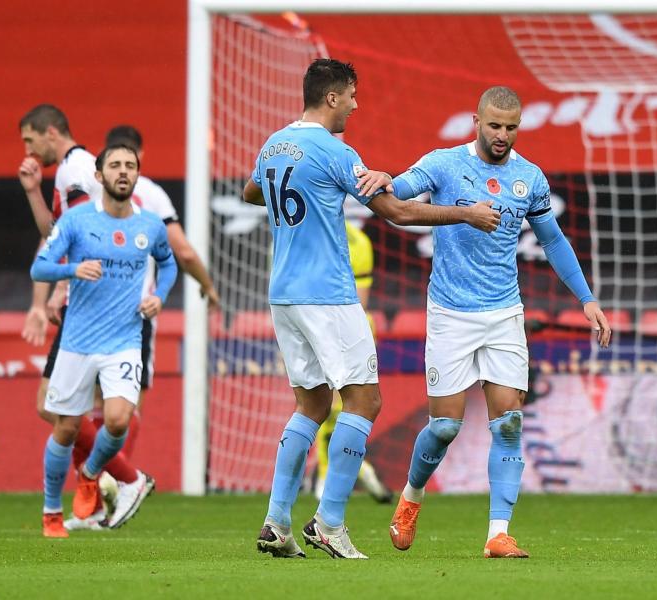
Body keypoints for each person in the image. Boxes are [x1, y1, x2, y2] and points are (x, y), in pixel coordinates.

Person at [243, 58, 500, 559]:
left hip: (284, 294)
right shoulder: (335, 151)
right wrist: (465, 213)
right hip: (327, 295)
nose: (357, 105)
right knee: (364, 402)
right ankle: (330, 522)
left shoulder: (274, 144)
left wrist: (297, 201)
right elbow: (398, 211)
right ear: (333, 97)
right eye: (353, 96)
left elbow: (253, 191)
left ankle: (276, 521)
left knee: (312, 405)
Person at [366, 86, 613, 558]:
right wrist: (385, 180)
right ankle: (411, 498)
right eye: (495, 125)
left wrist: (586, 299)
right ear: (477, 120)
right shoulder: (444, 164)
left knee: (510, 422)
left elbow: (554, 242)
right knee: (444, 427)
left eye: (511, 127)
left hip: (504, 313)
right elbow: (397, 198)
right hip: (450, 313)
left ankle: (497, 533)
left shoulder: (529, 178)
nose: (502, 135)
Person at [17, 105, 154, 531]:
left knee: (60, 412)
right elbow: (54, 235)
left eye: (29, 139)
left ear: (50, 132)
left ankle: (121, 479)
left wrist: (64, 285)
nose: (27, 148)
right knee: (67, 415)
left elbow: (79, 236)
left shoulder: (76, 169)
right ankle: (105, 487)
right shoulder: (67, 172)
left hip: (93, 310)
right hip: (86, 303)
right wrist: (32, 192)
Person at [31, 143, 178, 538]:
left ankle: (91, 473)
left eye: (130, 165)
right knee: (65, 428)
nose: (123, 171)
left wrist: (159, 297)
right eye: (115, 165)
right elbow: (39, 267)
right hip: (77, 341)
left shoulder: (150, 225)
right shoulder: (77, 221)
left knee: (117, 419)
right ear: (99, 176)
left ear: (137, 175)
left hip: (124, 341)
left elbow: (168, 263)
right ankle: (50, 513)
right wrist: (75, 268)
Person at [103, 126, 220, 440]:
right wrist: (207, 285)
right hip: (135, 312)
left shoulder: (91, 189)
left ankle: (95, 482)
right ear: (141, 154)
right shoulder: (152, 194)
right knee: (126, 410)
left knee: (89, 409)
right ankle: (120, 480)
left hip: (90, 310)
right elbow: (181, 250)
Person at [313, 221, 393, 504]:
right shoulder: (358, 240)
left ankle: (328, 476)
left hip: (318, 324)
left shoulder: (303, 231)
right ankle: (355, 468)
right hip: (356, 325)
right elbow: (361, 300)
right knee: (349, 406)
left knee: (323, 404)